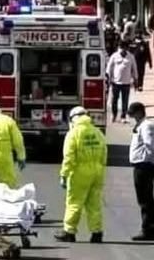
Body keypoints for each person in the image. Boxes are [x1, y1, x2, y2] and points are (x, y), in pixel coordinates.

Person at [54, 107, 107, 243]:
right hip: (97, 171)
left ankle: (69, 231)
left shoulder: (73, 134)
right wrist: (100, 168)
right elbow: (104, 153)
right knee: (94, 204)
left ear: (73, 119)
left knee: (74, 202)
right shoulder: (97, 132)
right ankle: (96, 233)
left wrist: (64, 174)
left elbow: (69, 157)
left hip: (80, 172)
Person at [127, 102, 154, 241]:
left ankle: (147, 229)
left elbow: (150, 145)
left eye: (133, 114)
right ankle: (150, 227)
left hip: (144, 165)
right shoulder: (141, 125)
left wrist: (149, 160)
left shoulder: (146, 125)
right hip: (141, 165)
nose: (132, 117)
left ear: (139, 112)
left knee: (145, 199)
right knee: (144, 198)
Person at [106, 41, 138, 123]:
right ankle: (114, 114)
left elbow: (134, 68)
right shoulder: (114, 56)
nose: (121, 50)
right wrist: (108, 79)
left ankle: (123, 116)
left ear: (126, 48)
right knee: (114, 100)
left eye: (123, 48)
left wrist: (135, 79)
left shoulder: (131, 56)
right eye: (120, 48)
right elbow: (109, 68)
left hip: (126, 82)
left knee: (125, 100)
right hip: (115, 82)